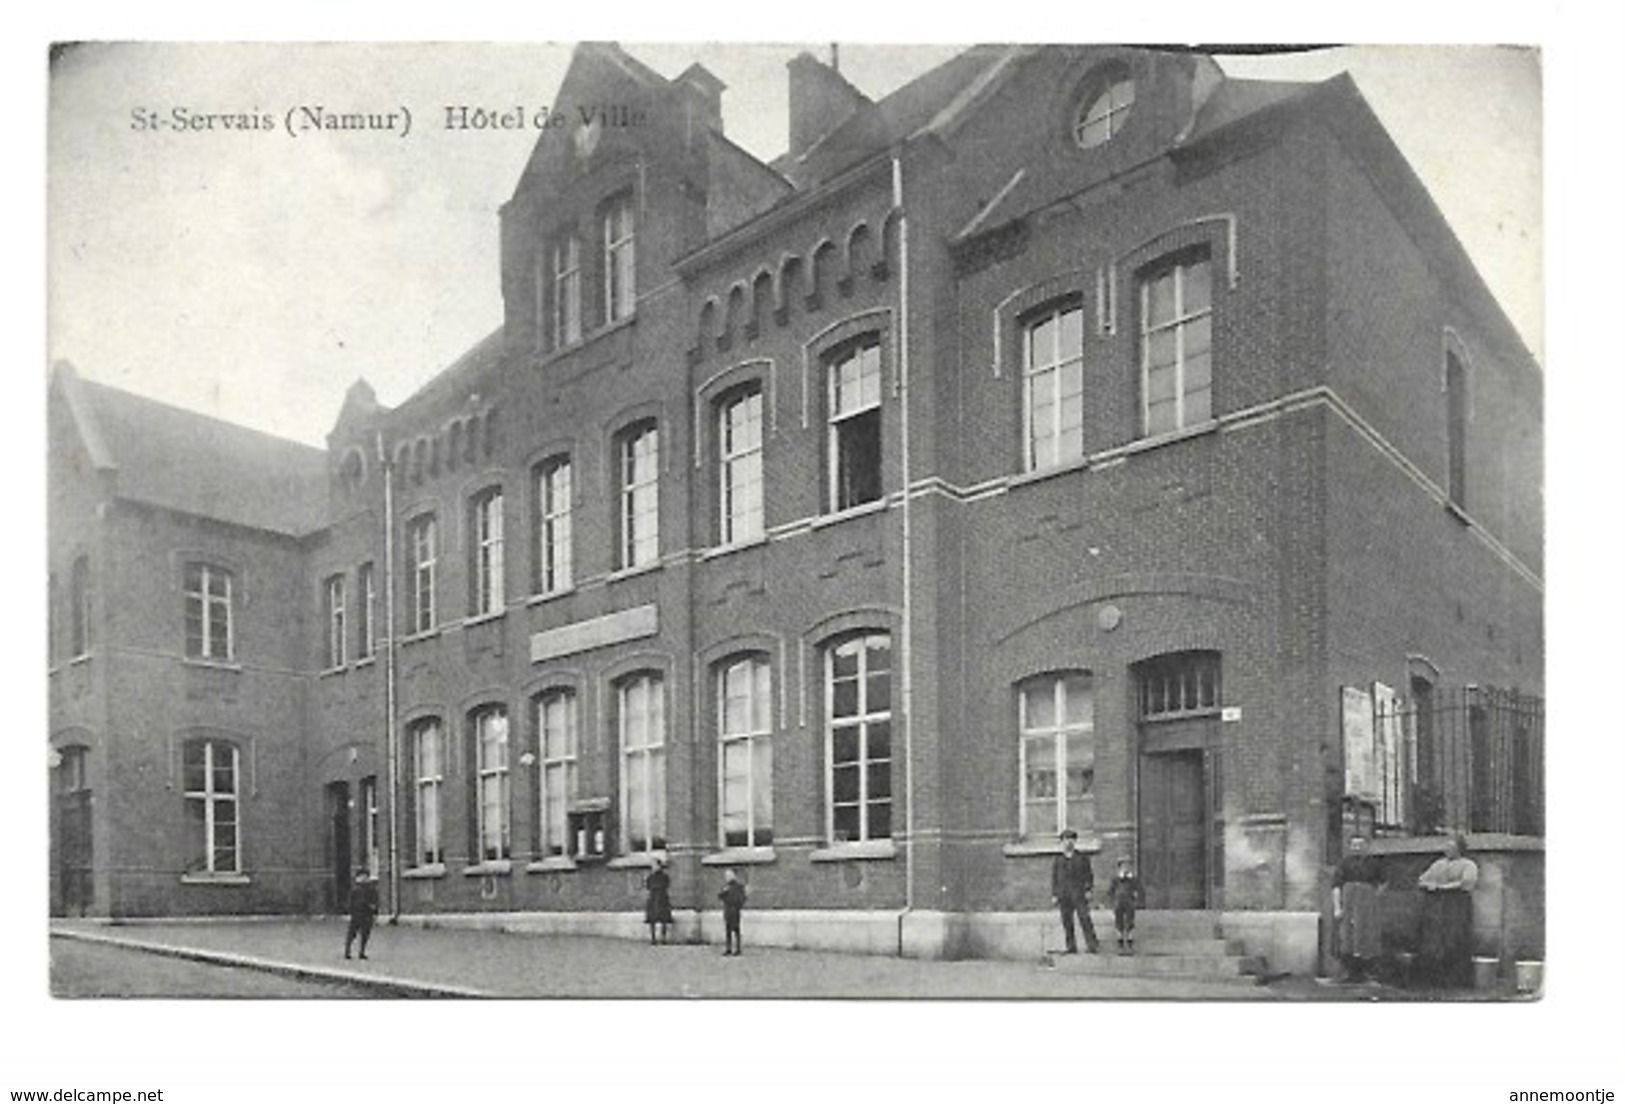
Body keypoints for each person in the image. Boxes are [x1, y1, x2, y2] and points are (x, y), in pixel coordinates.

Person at [1416, 834, 1479, 988]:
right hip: (1437, 906)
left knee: (1455, 937)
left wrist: (1443, 887)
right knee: (1435, 939)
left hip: (1457, 905)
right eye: (1446, 847)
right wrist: (1428, 884)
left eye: (1451, 847)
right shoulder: (1438, 864)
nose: (1447, 850)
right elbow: (1422, 879)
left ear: (1460, 849)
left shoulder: (1468, 864)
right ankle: (1434, 979)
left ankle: (1456, 980)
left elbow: (1467, 882)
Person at [1331, 835, 1384, 983]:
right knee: (1347, 936)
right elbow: (1336, 886)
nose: (1357, 848)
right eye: (1354, 845)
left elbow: (1382, 883)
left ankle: (1366, 972)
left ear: (1366, 846)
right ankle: (1349, 972)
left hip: (1367, 906)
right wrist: (1337, 907)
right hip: (1348, 903)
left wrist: (1373, 898)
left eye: (1360, 845)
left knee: (1366, 936)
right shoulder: (1344, 864)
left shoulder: (1374, 863)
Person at [1050, 828, 1099, 954]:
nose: (1068, 843)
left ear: (1075, 841)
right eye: (1066, 840)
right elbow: (1055, 878)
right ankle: (1071, 946)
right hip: (1064, 895)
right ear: (1062, 842)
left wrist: (1088, 890)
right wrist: (1055, 894)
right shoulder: (1058, 860)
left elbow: (1089, 875)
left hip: (1079, 893)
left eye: (1071, 839)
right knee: (1067, 921)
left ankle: (1092, 945)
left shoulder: (1082, 858)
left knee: (1084, 918)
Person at [1107, 855, 1143, 954]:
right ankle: (1120, 940)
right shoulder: (1116, 879)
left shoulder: (1133, 879)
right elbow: (1110, 891)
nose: (1126, 867)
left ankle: (1130, 940)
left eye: (1128, 865)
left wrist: (1137, 900)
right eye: (1123, 865)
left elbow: (1139, 890)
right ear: (1120, 867)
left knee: (1130, 919)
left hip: (1129, 902)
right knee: (1119, 920)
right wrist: (1112, 901)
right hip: (1118, 902)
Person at [344, 869, 378, 960]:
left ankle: (362, 951)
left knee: (365, 934)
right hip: (357, 914)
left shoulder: (371, 889)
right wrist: (351, 911)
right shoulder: (355, 889)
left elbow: (375, 900)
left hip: (367, 914)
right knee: (352, 933)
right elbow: (350, 902)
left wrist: (374, 910)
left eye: (365, 876)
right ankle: (347, 951)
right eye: (362, 876)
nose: (364, 878)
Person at [644, 857, 674, 945]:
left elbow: (666, 884)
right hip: (653, 898)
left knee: (663, 918)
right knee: (652, 918)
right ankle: (653, 938)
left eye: (655, 865)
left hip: (661, 897)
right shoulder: (650, 877)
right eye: (652, 865)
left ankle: (663, 938)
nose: (653, 867)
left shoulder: (664, 876)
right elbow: (648, 886)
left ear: (659, 866)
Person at [718, 868, 747, 956]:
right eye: (726, 876)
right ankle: (728, 948)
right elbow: (719, 896)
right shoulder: (725, 887)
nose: (726, 877)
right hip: (727, 910)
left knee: (736, 930)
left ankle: (738, 948)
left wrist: (738, 905)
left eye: (728, 875)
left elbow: (742, 898)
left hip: (735, 910)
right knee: (728, 930)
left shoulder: (738, 887)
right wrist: (723, 892)